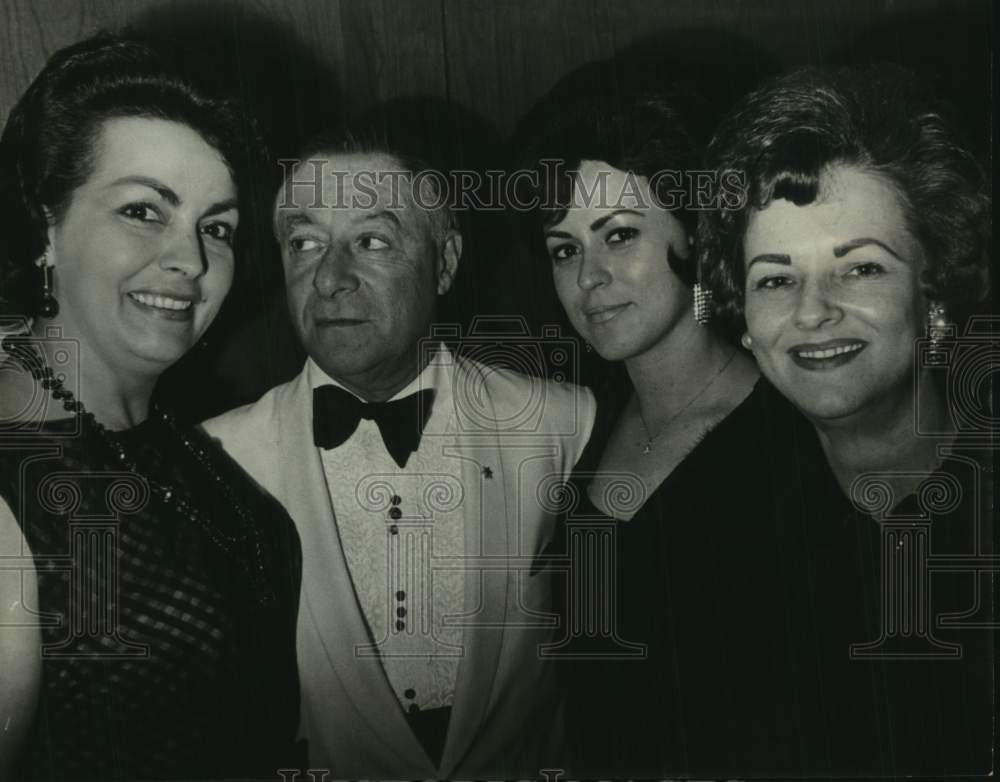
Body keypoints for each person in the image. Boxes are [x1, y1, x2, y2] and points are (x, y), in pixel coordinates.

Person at [202, 117, 596, 778]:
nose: (330, 278)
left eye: (372, 240)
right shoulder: (217, 458)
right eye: (305, 243)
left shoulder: (566, 423)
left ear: (443, 263)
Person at [0, 34, 301, 780]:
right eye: (142, 210)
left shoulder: (167, 434)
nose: (191, 261)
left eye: (217, 227)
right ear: (46, 224)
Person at [697, 64, 993, 776]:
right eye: (775, 278)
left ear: (936, 289)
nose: (811, 312)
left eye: (859, 269)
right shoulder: (718, 523)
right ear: (742, 318)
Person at [514, 67, 769, 776]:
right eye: (565, 249)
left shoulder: (783, 439)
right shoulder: (586, 425)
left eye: (618, 235)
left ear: (694, 232)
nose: (588, 277)